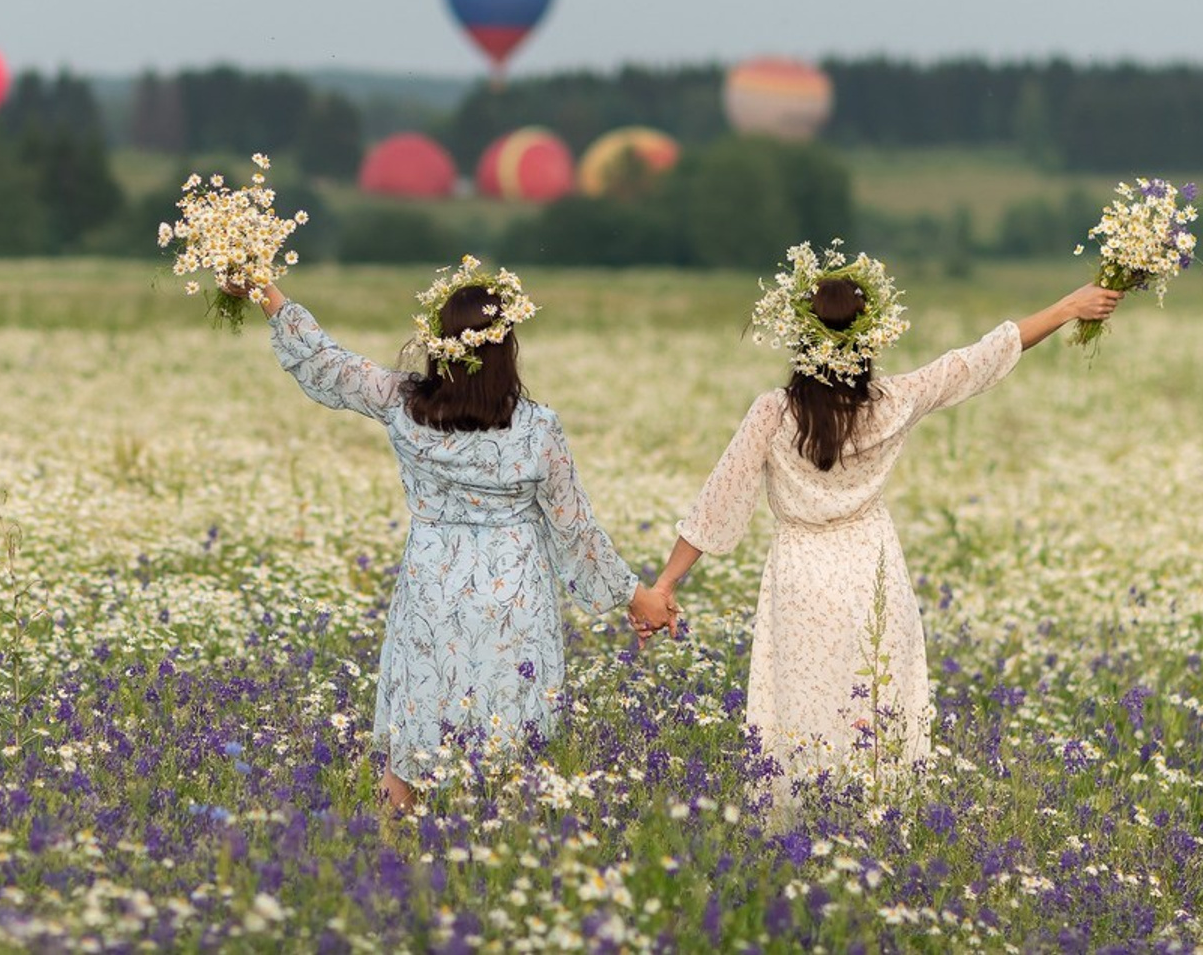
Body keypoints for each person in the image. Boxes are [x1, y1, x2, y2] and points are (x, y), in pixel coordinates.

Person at [641, 241, 1122, 811]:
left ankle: (799, 821)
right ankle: (880, 819)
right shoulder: (893, 401)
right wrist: (1068, 305)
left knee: (803, 701)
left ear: (801, 341)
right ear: (868, 339)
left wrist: (664, 585)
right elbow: (978, 358)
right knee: (876, 699)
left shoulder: (773, 412)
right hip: (872, 568)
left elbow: (715, 506)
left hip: (802, 574)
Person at [240, 257, 671, 811]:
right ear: (506, 351)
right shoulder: (538, 428)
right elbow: (577, 531)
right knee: (516, 746)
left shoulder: (404, 404)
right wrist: (645, 600)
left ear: (439, 343)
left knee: (415, 742)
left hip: (432, 591)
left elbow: (329, 363)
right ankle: (502, 862)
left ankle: (391, 871)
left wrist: (262, 287)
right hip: (515, 599)